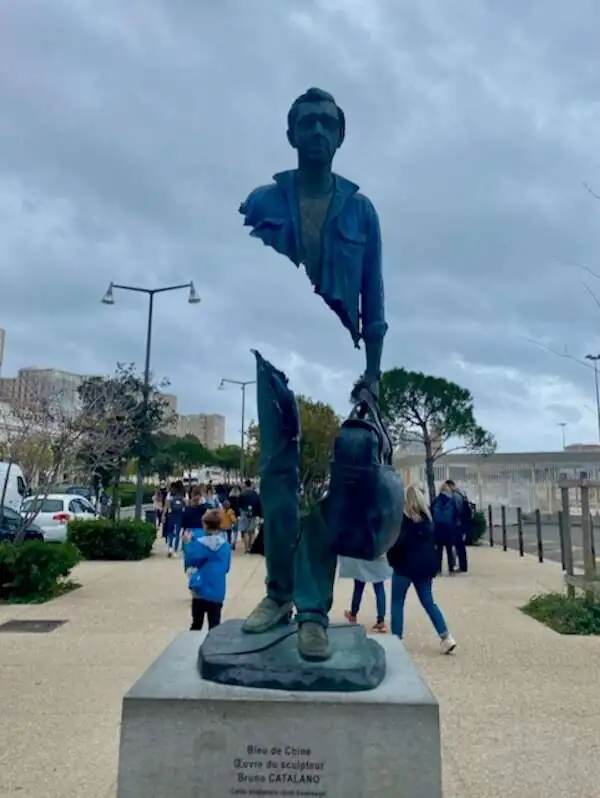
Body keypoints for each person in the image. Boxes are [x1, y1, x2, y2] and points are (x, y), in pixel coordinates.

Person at [239, 87, 387, 660]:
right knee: (276, 479)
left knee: (328, 493)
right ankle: (276, 594)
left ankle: (313, 610)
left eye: (329, 123)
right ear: (292, 134)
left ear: (341, 135)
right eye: (308, 122)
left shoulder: (361, 210)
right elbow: (240, 278)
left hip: (337, 363)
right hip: (274, 364)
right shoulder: (263, 202)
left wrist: (373, 375)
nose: (319, 131)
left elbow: (373, 298)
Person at [387, 485, 456, 653]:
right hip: (424, 568)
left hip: (403, 566)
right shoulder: (428, 520)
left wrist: (391, 558)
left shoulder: (401, 521)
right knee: (428, 602)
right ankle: (446, 637)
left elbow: (396, 543)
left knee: (397, 603)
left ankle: (397, 639)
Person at [184, 508, 231, 631]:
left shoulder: (199, 543)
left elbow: (191, 560)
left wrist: (186, 543)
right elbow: (226, 567)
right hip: (217, 588)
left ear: (205, 525)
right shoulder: (225, 545)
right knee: (215, 625)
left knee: (196, 624)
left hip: (201, 587)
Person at [339, 552, 391, 633]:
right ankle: (381, 621)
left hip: (361, 558)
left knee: (358, 587)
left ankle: (353, 614)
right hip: (376, 558)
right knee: (379, 588)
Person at [431, 482, 459, 575]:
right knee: (449, 551)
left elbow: (431, 515)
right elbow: (456, 515)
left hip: (438, 529)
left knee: (438, 551)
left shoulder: (435, 501)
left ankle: (438, 570)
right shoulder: (451, 501)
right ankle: (451, 570)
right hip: (449, 529)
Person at [445, 479, 471, 572]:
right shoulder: (460, 494)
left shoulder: (455, 496)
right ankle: (462, 566)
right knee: (460, 546)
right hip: (462, 523)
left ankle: (462, 567)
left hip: (457, 524)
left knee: (459, 546)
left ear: (450, 486)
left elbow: (457, 510)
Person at [238, 479, 262, 554]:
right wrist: (259, 514)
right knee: (251, 531)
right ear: (250, 485)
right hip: (253, 514)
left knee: (244, 531)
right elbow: (258, 504)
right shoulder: (255, 494)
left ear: (245, 485)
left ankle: (246, 548)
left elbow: (239, 505)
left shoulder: (242, 494)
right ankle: (250, 545)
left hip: (244, 513)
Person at [164, 480, 187, 557]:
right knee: (178, 532)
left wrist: (164, 514)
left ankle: (170, 547)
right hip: (180, 514)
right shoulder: (184, 493)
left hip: (171, 514)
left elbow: (167, 504)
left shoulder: (170, 493)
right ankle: (175, 549)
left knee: (170, 531)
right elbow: (187, 504)